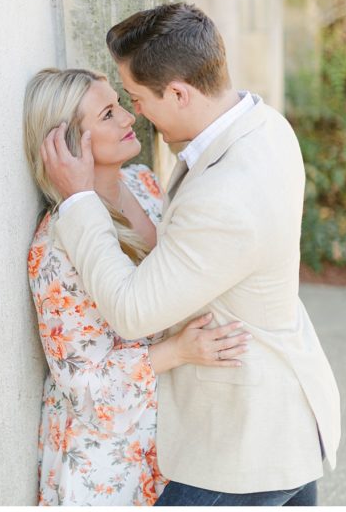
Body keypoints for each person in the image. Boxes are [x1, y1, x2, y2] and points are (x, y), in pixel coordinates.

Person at [40, 4, 340, 505]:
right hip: (274, 427)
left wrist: (78, 201)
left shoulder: (225, 194)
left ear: (179, 92)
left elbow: (134, 311)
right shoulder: (265, 126)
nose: (136, 114)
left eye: (134, 98)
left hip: (242, 444)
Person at [23, 67, 251, 505]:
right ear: (69, 143)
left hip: (169, 438)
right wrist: (179, 351)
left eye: (121, 105)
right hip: (108, 465)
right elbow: (84, 388)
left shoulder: (143, 184)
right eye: (108, 114)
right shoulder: (54, 251)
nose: (129, 119)